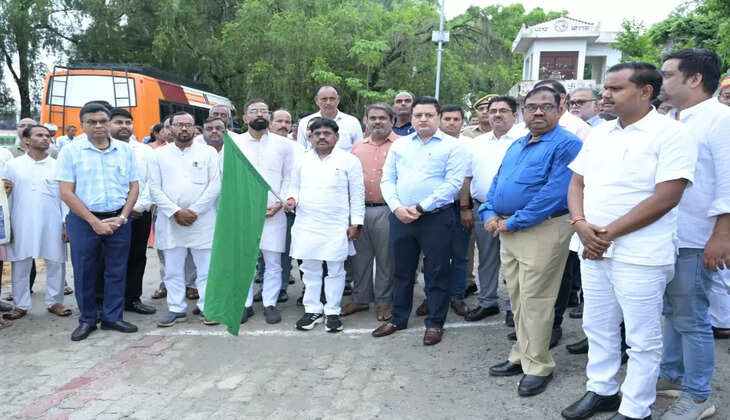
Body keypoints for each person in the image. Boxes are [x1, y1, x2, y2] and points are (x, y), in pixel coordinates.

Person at [561, 62, 696, 420]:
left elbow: (667, 197)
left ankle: (636, 408)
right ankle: (602, 390)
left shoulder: (672, 133)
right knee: (597, 325)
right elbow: (577, 182)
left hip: (641, 254)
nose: (605, 95)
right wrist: (579, 223)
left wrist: (608, 234)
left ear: (645, 92)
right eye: (605, 87)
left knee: (641, 338)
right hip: (592, 247)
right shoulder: (601, 133)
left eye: (615, 88)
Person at [482, 86, 581, 397]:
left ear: (560, 108)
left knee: (536, 300)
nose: (538, 112)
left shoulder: (567, 144)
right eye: (532, 107)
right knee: (516, 296)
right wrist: (489, 212)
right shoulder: (518, 144)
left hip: (542, 229)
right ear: (523, 112)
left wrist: (511, 222)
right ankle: (521, 354)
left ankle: (538, 365)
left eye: (546, 106)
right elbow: (498, 182)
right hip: (508, 229)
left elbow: (553, 193)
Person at [655, 48, 729, 420]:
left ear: (695, 79)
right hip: (667, 235)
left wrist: (722, 235)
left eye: (668, 75)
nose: (661, 81)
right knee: (672, 310)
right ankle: (672, 374)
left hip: (697, 237)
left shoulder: (720, 120)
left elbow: (729, 182)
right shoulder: (672, 119)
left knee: (691, 316)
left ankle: (698, 396)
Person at [372, 96, 467, 346]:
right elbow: (388, 179)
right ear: (411, 118)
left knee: (437, 272)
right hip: (401, 217)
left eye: (429, 115)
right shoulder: (400, 146)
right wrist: (396, 207)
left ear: (438, 117)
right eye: (418, 115)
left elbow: (453, 184)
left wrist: (422, 206)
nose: (423, 119)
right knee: (402, 272)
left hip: (436, 217)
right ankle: (398, 318)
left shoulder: (453, 147)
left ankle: (435, 323)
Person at [56, 102, 140, 342]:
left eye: (103, 121)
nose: (98, 126)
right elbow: (66, 192)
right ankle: (88, 319)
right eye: (91, 122)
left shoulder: (125, 150)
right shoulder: (71, 151)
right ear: (82, 125)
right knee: (85, 271)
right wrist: (94, 222)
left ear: (109, 122)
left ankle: (113, 317)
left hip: (118, 219)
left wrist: (123, 217)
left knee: (117, 270)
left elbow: (134, 187)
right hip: (83, 220)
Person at [286, 118, 364, 332]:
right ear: (310, 137)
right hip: (306, 223)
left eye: (327, 133)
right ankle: (312, 310)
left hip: (336, 225)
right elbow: (293, 186)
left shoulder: (349, 160)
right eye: (317, 133)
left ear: (336, 137)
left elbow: (357, 194)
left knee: (335, 270)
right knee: (309, 269)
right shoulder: (301, 160)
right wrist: (291, 199)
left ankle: (332, 311)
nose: (322, 137)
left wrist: (356, 223)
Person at [149, 111, 221, 327]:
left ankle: (208, 307)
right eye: (179, 124)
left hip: (203, 220)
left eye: (188, 125)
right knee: (173, 269)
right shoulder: (158, 155)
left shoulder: (208, 152)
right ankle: (176, 309)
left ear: (194, 128)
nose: (183, 128)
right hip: (171, 221)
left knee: (206, 269)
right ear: (170, 128)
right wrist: (175, 212)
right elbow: (154, 188)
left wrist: (195, 211)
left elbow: (215, 185)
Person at [463, 95, 527, 323]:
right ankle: (487, 302)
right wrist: (465, 207)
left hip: (516, 213)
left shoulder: (525, 140)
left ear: (515, 114)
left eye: (503, 110)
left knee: (515, 261)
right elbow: (467, 177)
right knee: (487, 259)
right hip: (483, 210)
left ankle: (513, 306)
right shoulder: (477, 143)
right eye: (493, 111)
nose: (497, 115)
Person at [233, 99, 293, 325]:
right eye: (254, 111)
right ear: (245, 117)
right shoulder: (234, 144)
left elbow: (289, 177)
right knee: (245, 261)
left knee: (273, 261)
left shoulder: (283, 145)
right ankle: (245, 304)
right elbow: (227, 177)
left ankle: (270, 303)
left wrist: (279, 203)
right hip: (243, 211)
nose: (259, 114)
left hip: (274, 211)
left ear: (269, 116)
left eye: (263, 111)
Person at [2, 125, 70, 321]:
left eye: (47, 135)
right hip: (20, 220)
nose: (45, 138)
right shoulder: (13, 165)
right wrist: (8, 225)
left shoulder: (58, 165)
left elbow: (65, 197)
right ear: (26, 140)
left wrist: (65, 223)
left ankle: (55, 301)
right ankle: (20, 304)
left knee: (56, 261)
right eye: (39, 135)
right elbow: (5, 197)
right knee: (20, 262)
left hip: (52, 221)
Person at [344, 103, 399, 322]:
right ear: (365, 121)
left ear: (392, 121)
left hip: (388, 210)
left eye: (383, 118)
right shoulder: (357, 148)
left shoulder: (401, 146)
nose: (377, 122)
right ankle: (361, 298)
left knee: (386, 259)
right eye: (373, 118)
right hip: (359, 210)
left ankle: (384, 301)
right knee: (360, 258)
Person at [106, 108, 156, 315]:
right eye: (119, 122)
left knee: (136, 256)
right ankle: (106, 302)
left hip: (138, 213)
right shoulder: (101, 150)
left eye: (128, 122)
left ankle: (132, 299)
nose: (124, 126)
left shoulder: (145, 151)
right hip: (109, 213)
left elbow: (152, 181)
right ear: (108, 124)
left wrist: (139, 206)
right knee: (108, 259)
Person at [437, 105, 471, 316]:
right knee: (435, 256)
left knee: (460, 254)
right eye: (447, 119)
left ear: (462, 122)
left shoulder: (469, 145)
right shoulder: (431, 143)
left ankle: (457, 296)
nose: (451, 123)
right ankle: (434, 296)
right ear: (439, 120)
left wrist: (465, 208)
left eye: (456, 119)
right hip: (435, 208)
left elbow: (467, 178)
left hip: (460, 205)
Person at [296, 84, 364, 152]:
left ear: (338, 100)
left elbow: (359, 150)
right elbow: (300, 151)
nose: (328, 103)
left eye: (332, 99)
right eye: (324, 99)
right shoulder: (305, 122)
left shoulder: (352, 122)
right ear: (316, 100)